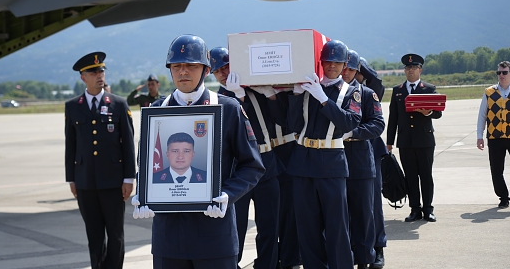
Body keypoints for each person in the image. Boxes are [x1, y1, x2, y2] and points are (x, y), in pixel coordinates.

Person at [132, 35, 265, 269]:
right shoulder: (156, 111)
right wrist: (142, 193)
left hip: (214, 236)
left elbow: (252, 165)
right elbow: (146, 163)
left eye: (191, 66)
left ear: (205, 70)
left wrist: (227, 195)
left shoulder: (228, 108)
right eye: (177, 66)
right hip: (169, 239)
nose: (183, 72)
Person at [287, 40, 362, 269]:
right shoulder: (310, 88)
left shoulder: (351, 91)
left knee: (336, 225)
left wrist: (323, 99)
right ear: (321, 62)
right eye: (327, 61)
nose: (331, 66)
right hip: (304, 161)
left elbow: (349, 121)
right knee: (307, 227)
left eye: (336, 62)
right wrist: (297, 96)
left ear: (344, 64)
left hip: (331, 162)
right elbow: (293, 124)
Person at [210, 46, 284, 269]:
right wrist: (238, 98)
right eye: (218, 70)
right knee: (236, 226)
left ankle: (268, 265)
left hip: (267, 164)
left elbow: (282, 119)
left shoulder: (255, 91)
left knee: (270, 226)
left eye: (226, 67)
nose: (223, 73)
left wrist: (269, 94)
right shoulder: (217, 100)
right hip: (237, 171)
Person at [65, 51, 135, 269]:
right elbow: (71, 146)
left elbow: (128, 144)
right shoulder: (73, 106)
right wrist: (71, 179)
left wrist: (129, 177)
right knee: (94, 235)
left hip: (113, 181)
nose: (99, 75)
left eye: (101, 71)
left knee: (115, 235)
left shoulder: (118, 104)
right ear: (83, 77)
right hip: (85, 182)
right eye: (94, 72)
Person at [342, 49, 385, 269]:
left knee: (367, 211)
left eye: (351, 67)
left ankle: (370, 254)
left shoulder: (367, 92)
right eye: (343, 66)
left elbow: (377, 124)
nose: (345, 71)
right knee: (343, 214)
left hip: (361, 158)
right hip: (337, 161)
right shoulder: (331, 93)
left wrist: (353, 133)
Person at [386, 53, 442, 223]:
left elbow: (438, 112)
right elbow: (393, 117)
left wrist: (429, 112)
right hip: (405, 141)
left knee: (426, 175)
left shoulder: (429, 89)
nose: (411, 70)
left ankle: (428, 209)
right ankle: (415, 209)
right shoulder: (398, 91)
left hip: (424, 141)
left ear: (420, 70)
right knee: (410, 176)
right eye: (408, 68)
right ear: (405, 70)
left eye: (414, 68)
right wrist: (389, 141)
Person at [476, 61, 510, 208]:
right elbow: (482, 115)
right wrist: (479, 136)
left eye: (504, 72)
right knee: (496, 170)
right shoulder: (489, 92)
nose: (501, 75)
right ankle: (503, 197)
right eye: (499, 72)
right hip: (495, 137)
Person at [355, 56, 387, 269]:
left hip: (370, 151)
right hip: (345, 153)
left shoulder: (368, 90)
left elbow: (377, 82)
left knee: (372, 203)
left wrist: (358, 63)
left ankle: (378, 248)